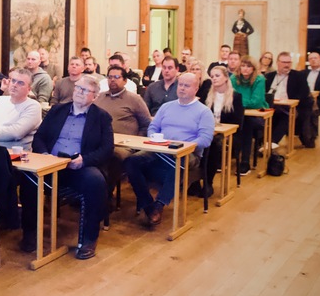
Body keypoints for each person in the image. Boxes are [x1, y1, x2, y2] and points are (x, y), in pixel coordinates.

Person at [21, 75, 112, 259]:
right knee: (28, 179)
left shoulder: (101, 117)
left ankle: (88, 238)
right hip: (50, 164)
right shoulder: (57, 110)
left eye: (85, 90)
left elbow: (107, 148)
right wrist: (45, 155)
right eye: (78, 88)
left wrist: (84, 160)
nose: (79, 92)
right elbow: (39, 137)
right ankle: (30, 232)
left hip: (78, 167)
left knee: (96, 182)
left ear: (94, 96)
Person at [124, 73, 214, 226]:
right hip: (159, 149)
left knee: (179, 163)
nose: (182, 88)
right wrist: (154, 137)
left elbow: (205, 139)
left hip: (186, 154)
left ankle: (159, 204)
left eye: (187, 85)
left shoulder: (204, 112)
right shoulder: (167, 107)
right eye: (180, 85)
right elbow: (153, 126)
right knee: (131, 161)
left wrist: (183, 147)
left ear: (196, 89)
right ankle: (147, 204)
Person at [0, 67, 42, 229]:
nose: (14, 85)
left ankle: (6, 213)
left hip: (16, 157)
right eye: (12, 80)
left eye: (20, 83)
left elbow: (16, 133)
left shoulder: (33, 106)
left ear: (29, 89)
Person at [93, 65, 151, 201]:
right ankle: (89, 191)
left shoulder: (134, 99)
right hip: (101, 141)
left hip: (124, 145)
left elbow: (146, 124)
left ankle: (105, 196)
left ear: (125, 81)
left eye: (117, 77)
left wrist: (137, 141)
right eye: (110, 77)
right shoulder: (100, 98)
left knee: (113, 156)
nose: (112, 80)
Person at [192, 65, 244, 197]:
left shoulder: (236, 97)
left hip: (227, 134)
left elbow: (238, 122)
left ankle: (208, 182)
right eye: (212, 76)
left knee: (212, 145)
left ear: (226, 78)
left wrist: (220, 128)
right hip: (209, 130)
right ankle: (195, 181)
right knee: (195, 143)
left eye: (217, 76)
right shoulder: (206, 94)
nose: (214, 79)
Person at [265, 51, 316, 149]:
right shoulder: (269, 76)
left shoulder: (298, 76)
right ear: (277, 62)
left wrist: (288, 101)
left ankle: (271, 142)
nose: (286, 65)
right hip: (271, 106)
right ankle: (264, 142)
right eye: (284, 62)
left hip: (290, 107)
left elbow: (304, 94)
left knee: (287, 115)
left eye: (289, 62)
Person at [231, 55, 268, 176]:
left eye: (248, 66)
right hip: (239, 114)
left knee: (246, 123)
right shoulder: (233, 78)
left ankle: (245, 161)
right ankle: (224, 158)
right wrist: (240, 103)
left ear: (253, 68)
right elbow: (230, 97)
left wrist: (239, 103)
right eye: (243, 66)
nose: (245, 69)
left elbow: (256, 101)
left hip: (257, 116)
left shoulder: (259, 79)